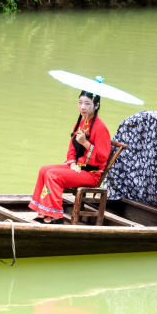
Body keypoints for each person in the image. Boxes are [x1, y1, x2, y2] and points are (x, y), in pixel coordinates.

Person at [29, 90, 111, 223]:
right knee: (44, 170)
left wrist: (85, 143)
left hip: (91, 173)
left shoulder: (101, 128)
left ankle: (55, 216)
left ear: (96, 106)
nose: (82, 107)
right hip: (77, 168)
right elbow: (71, 149)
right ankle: (43, 212)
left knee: (53, 175)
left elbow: (102, 157)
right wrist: (73, 164)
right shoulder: (81, 122)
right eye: (80, 102)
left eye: (87, 104)